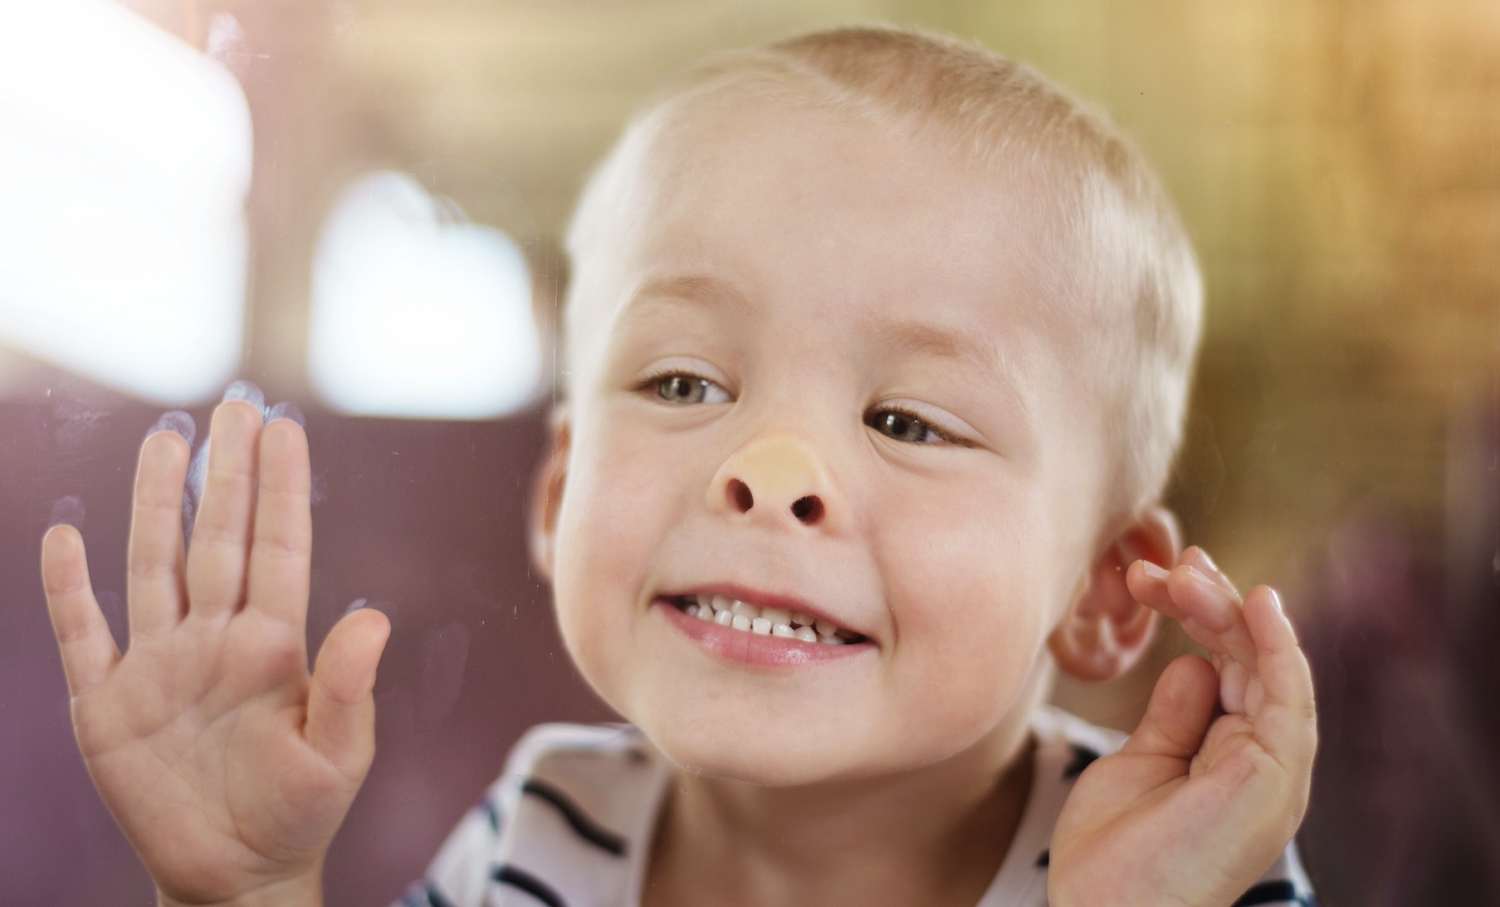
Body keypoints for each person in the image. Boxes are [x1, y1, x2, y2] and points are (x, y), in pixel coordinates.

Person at [38, 25, 1317, 907]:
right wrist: (247, 888)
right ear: (559, 493)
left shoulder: (1178, 864)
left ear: (1102, 592)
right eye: (685, 384)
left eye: (910, 421)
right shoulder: (540, 827)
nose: (766, 470)